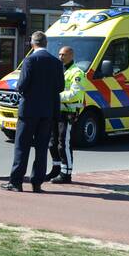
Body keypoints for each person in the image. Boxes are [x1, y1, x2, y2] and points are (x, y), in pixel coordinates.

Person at [3, 31, 64, 193]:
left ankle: (16, 182)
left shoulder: (29, 60)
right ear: (46, 43)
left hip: (29, 110)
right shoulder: (56, 62)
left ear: (32, 43)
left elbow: (21, 85)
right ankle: (37, 183)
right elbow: (60, 87)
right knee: (42, 147)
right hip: (47, 111)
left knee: (22, 146)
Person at [46, 45, 84, 184]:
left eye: (64, 55)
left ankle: (66, 174)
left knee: (64, 144)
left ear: (71, 56)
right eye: (60, 54)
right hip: (56, 111)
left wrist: (55, 96)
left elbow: (75, 94)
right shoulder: (58, 70)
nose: (61, 57)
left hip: (68, 112)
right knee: (52, 143)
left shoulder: (77, 73)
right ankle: (56, 169)